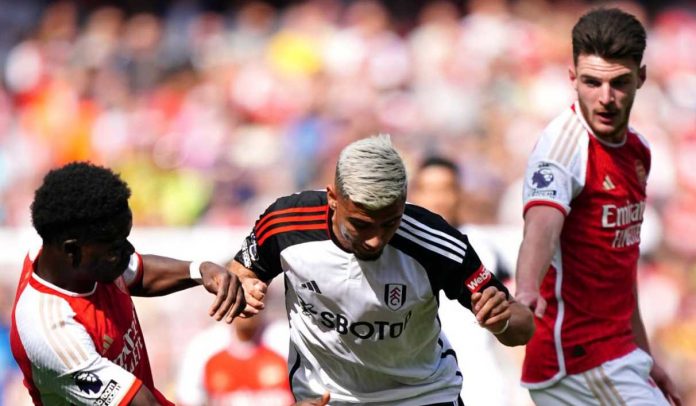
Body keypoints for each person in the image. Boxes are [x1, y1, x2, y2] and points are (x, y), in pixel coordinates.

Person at [230, 134, 535, 405]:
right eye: (361, 224)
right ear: (334, 198)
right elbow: (240, 274)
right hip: (327, 397)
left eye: (390, 223)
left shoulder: (437, 243)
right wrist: (244, 289)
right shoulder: (286, 224)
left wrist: (502, 321)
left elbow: (523, 328)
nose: (375, 240)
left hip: (422, 396)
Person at [9, 162, 329, 406]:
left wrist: (200, 270)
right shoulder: (51, 331)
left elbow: (139, 271)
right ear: (71, 249)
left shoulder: (78, 261)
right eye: (115, 245)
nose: (126, 252)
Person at [514, 8, 682, 406]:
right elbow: (541, 225)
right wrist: (524, 291)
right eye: (591, 82)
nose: (605, 99)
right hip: (578, 360)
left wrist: (642, 353)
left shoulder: (637, 150)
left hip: (616, 354)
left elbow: (619, 266)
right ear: (572, 77)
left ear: (641, 77)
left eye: (619, 83)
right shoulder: (563, 149)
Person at [409, 156, 519, 406]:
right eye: (430, 190)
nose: (438, 199)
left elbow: (515, 315)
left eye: (446, 189)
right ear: (414, 193)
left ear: (460, 193)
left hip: (482, 389)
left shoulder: (486, 248)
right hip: (420, 389)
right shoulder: (396, 250)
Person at [176, 314, 293, 406]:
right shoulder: (204, 346)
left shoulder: (286, 339)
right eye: (239, 289)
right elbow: (188, 400)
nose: (246, 300)